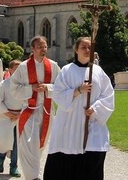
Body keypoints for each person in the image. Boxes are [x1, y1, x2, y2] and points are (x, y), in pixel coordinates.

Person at [44, 37, 115, 180]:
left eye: (90, 47)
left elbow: (108, 95)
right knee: (66, 165)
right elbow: (57, 93)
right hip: (69, 125)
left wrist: (95, 108)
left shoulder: (98, 71)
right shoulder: (66, 70)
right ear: (76, 49)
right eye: (83, 47)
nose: (87, 50)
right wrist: (78, 90)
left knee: (92, 163)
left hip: (92, 124)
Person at [11, 36, 60, 180]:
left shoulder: (53, 66)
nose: (43, 49)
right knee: (28, 146)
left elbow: (62, 86)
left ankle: (33, 173)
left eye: (45, 46)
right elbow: (14, 89)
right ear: (32, 49)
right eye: (40, 47)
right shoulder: (24, 67)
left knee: (40, 145)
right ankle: (32, 177)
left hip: (47, 111)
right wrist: (31, 88)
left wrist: (47, 87)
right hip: (29, 112)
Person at [0, 60, 23, 177]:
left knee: (16, 144)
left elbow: (27, 101)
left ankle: (14, 166)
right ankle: (0, 158)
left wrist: (21, 113)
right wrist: (8, 114)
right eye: (16, 69)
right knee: (5, 141)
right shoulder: (3, 84)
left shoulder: (24, 86)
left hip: (19, 117)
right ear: (10, 70)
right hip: (5, 117)